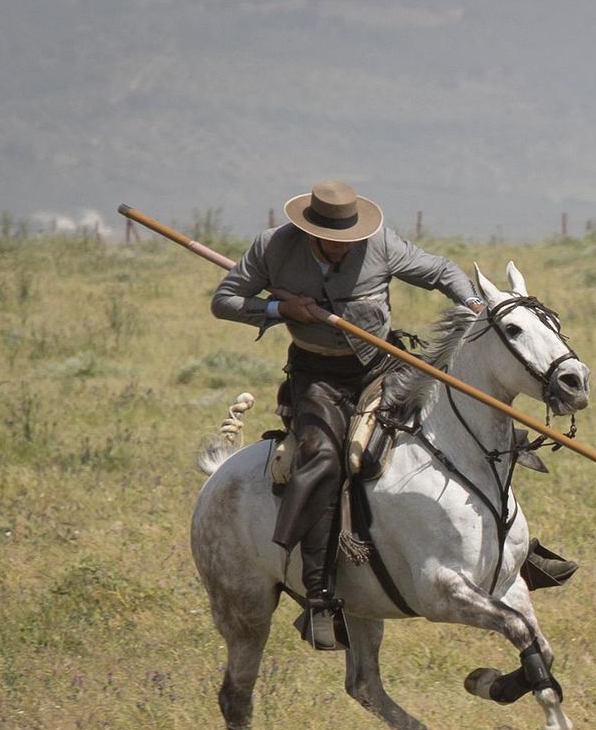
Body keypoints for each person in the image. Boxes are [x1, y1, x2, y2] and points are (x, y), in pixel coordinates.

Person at [211, 180, 576, 650]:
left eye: (351, 236)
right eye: (337, 239)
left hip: (383, 365)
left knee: (472, 431)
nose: (348, 246)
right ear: (311, 231)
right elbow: (225, 300)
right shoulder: (273, 247)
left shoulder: (379, 243)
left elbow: (441, 271)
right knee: (323, 460)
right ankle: (321, 594)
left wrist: (473, 302)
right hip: (319, 377)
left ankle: (512, 554)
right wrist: (282, 307)